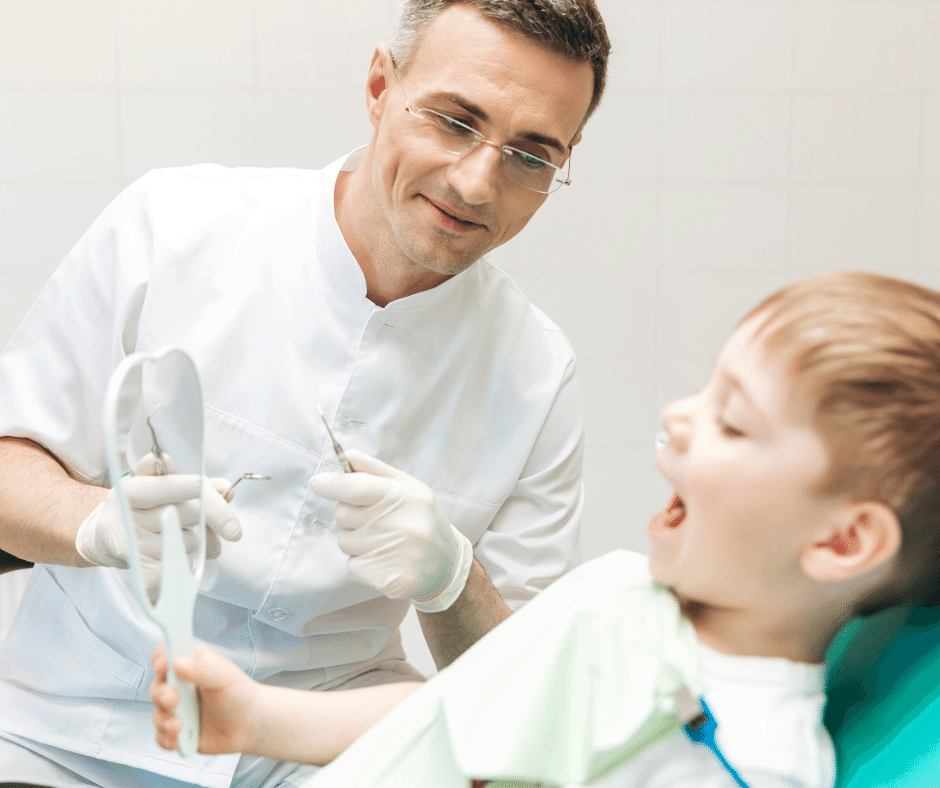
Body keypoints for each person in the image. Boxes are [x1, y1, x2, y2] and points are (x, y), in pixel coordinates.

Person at [0, 2, 610, 786]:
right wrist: (98, 523)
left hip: (329, 750)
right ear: (380, 85)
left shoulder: (536, 372)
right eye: (455, 121)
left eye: (530, 156)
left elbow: (523, 694)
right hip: (70, 730)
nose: (475, 183)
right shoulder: (174, 226)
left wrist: (452, 579)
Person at [152, 271, 940, 787]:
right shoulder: (616, 594)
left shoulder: (762, 762)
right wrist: (258, 718)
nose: (677, 414)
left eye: (733, 423)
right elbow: (459, 714)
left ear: (842, 543)